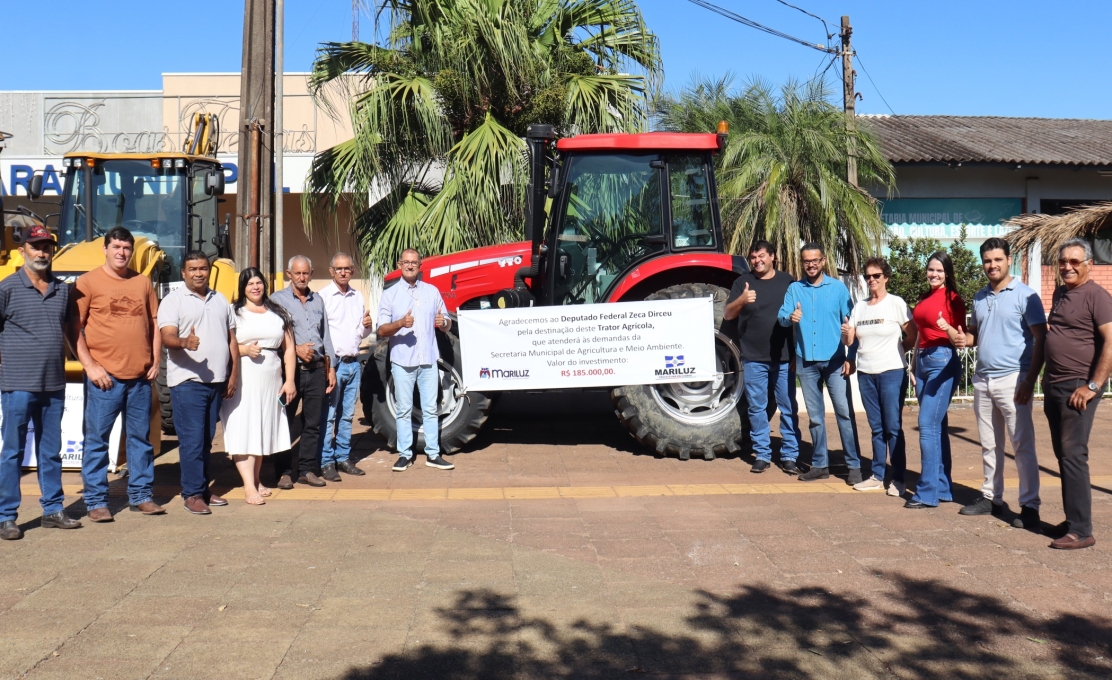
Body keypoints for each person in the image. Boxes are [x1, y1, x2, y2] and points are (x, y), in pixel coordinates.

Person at [951, 238, 1045, 529]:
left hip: (1013, 379)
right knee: (989, 445)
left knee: (1022, 446)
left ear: (1008, 261)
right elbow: (975, 336)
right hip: (983, 380)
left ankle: (1030, 506)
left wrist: (1030, 379)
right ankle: (992, 497)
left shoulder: (1026, 296)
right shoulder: (980, 297)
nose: (992, 265)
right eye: (987, 261)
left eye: (997, 260)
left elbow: (1041, 338)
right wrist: (963, 339)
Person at [71, 226, 163, 522]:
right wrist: (91, 366)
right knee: (97, 440)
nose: (121, 253)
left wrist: (156, 360)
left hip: (139, 378)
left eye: (126, 248)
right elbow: (72, 329)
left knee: (140, 439)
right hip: (104, 380)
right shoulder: (87, 283)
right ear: (106, 249)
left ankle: (141, 495)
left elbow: (155, 322)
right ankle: (97, 501)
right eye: (116, 247)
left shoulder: (142, 282)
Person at [0, 225, 82, 539]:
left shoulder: (63, 290)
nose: (42, 253)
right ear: (23, 251)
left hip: (54, 385)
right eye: (36, 247)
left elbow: (73, 334)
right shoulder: (6, 289)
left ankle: (52, 509)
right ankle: (6, 516)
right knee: (12, 452)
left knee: (51, 451)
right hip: (18, 384)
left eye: (47, 247)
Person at [1041, 238, 1112, 550]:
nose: (1067, 267)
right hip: (1054, 385)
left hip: (1079, 388)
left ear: (1088, 264)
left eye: (1074, 262)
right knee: (1062, 454)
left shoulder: (1098, 296)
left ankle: (1082, 531)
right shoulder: (1060, 293)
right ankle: (1073, 519)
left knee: (1073, 455)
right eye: (1063, 262)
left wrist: (1093, 386)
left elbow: (1111, 342)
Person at [157, 251, 239, 515]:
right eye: (192, 269)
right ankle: (191, 494)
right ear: (183, 273)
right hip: (187, 382)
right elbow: (167, 337)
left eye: (203, 268)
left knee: (205, 439)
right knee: (191, 439)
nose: (198, 273)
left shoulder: (220, 300)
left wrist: (233, 373)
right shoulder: (173, 301)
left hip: (216, 381)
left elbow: (232, 340)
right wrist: (184, 342)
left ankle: (202, 489)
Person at [777, 243, 862, 484]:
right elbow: (782, 317)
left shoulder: (837, 289)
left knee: (844, 414)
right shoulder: (795, 289)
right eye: (806, 261)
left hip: (835, 362)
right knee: (815, 417)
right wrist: (789, 317)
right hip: (806, 362)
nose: (811, 264)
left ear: (823, 261)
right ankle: (820, 464)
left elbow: (852, 325)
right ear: (801, 262)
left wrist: (850, 356)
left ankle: (853, 465)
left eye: (815, 260)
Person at [724, 240, 802, 475]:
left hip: (784, 357)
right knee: (757, 408)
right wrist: (741, 300)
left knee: (788, 407)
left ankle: (789, 455)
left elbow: (798, 316)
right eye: (753, 257)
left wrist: (797, 354)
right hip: (753, 357)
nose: (757, 261)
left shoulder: (788, 282)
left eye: (761, 256)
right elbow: (728, 314)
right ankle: (762, 455)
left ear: (773, 257)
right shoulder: (742, 282)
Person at [220, 269, 297, 505]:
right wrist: (243, 350)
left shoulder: (278, 312)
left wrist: (290, 380)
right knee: (244, 428)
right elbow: (223, 344)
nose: (255, 287)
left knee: (262, 427)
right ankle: (248, 486)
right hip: (243, 378)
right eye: (250, 283)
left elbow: (290, 348)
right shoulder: (234, 312)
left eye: (259, 282)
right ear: (243, 287)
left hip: (271, 378)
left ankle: (257, 478)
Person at [841, 257, 916, 494]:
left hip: (892, 371)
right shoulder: (860, 307)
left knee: (892, 426)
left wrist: (900, 351)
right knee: (876, 427)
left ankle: (899, 479)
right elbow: (850, 340)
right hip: (865, 373)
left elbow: (913, 334)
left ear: (886, 278)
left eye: (876, 276)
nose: (872, 280)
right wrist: (846, 334)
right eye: (868, 276)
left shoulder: (896, 303)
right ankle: (876, 475)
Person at [378, 248, 455, 471]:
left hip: (428, 360)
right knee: (403, 410)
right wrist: (400, 323)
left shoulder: (431, 291)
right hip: (403, 361)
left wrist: (444, 323)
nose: (410, 266)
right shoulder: (390, 295)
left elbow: (446, 321)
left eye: (414, 263)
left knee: (431, 409)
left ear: (420, 266)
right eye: (406, 262)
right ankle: (405, 454)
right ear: (399, 265)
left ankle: (433, 454)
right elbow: (381, 330)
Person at [907, 251, 966, 509]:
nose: (934, 274)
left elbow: (960, 340)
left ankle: (926, 493)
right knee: (937, 427)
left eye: (939, 271)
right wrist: (913, 364)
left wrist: (947, 327)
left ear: (947, 274)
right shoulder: (924, 297)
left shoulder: (954, 300)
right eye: (931, 269)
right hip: (922, 362)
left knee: (927, 425)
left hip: (943, 361)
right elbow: (920, 333)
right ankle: (942, 488)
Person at [272, 255, 336, 488]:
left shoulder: (317, 300)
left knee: (313, 423)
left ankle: (307, 469)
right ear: (289, 274)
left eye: (305, 273)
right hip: (291, 372)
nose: (301, 277)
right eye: (297, 273)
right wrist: (295, 349)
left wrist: (331, 369)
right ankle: (285, 471)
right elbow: (272, 335)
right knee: (284, 422)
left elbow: (325, 336)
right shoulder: (277, 300)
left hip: (317, 369)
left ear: (311, 273)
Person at [320, 252, 372, 481]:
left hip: (353, 363)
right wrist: (327, 365)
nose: (343, 272)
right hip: (334, 364)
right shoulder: (322, 297)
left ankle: (343, 457)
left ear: (353, 271)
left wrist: (367, 326)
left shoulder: (357, 297)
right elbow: (320, 334)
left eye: (347, 269)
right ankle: (325, 461)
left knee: (347, 415)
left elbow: (360, 333)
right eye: (338, 269)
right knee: (329, 415)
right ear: (331, 271)